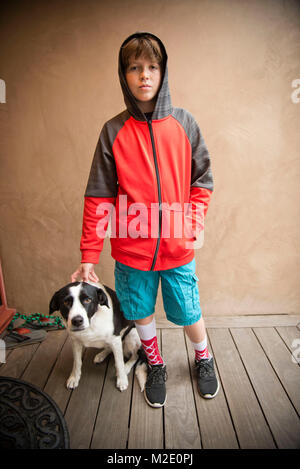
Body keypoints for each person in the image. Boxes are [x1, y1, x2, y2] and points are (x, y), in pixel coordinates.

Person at [71, 32, 219, 407]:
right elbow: (99, 196)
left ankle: (204, 358)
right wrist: (89, 255)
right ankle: (154, 364)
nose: (144, 76)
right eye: (134, 68)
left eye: (152, 67)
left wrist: (191, 223)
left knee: (188, 310)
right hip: (131, 250)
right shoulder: (113, 130)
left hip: (177, 247)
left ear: (163, 72)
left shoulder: (185, 124)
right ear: (124, 76)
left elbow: (202, 180)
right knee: (139, 311)